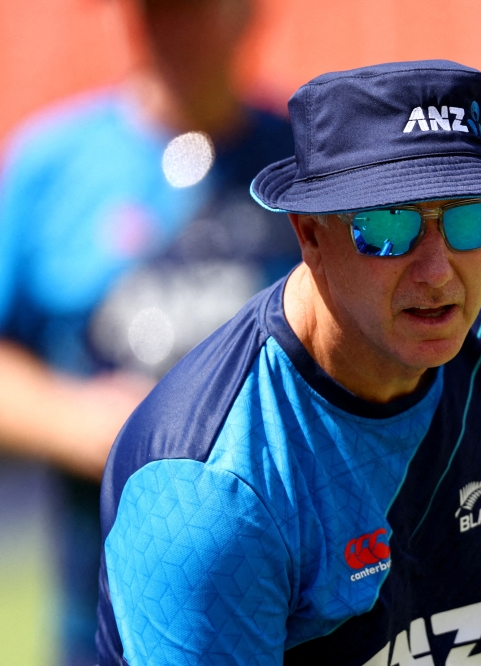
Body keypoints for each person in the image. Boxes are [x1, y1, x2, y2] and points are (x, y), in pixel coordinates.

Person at [97, 60, 481, 666]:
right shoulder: (210, 490)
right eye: (387, 225)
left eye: (470, 216)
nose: (437, 272)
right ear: (309, 235)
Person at [0, 0, 299, 663]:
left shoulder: (304, 165)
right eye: (153, 11)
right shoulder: (50, 167)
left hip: (302, 603)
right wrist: (73, 419)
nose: (171, 28)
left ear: (249, 15)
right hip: (111, 615)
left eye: (194, 10)